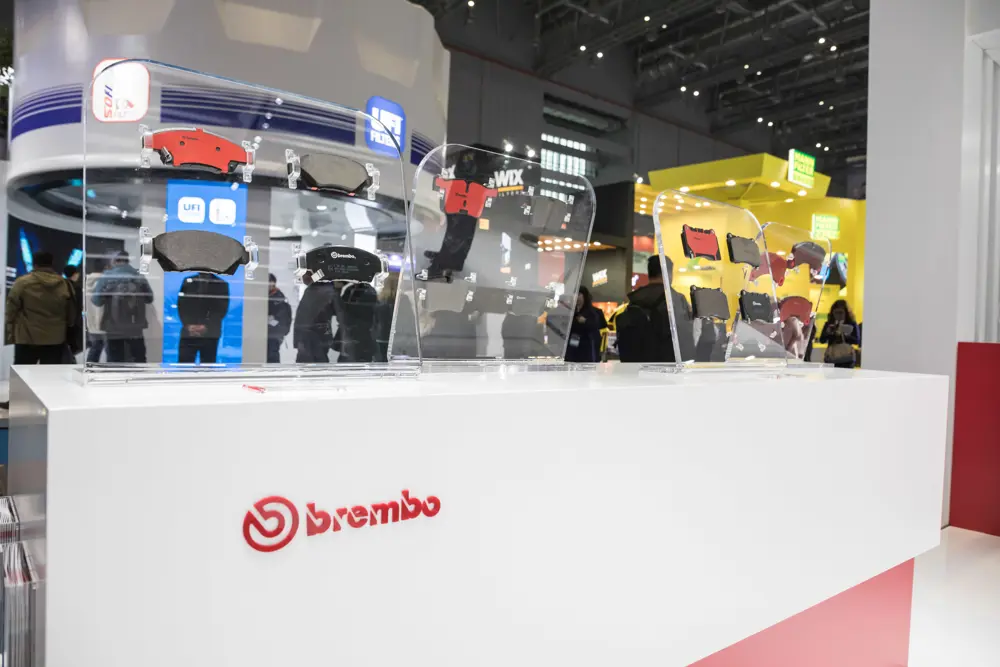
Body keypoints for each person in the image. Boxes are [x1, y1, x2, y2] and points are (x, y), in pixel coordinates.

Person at [614, 255, 695, 363]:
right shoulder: (675, 299)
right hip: (666, 364)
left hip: (638, 364)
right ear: (668, 273)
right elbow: (685, 337)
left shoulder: (635, 299)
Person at [4, 251, 77, 364]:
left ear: (34, 264)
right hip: (55, 339)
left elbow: (11, 310)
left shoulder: (22, 283)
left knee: (22, 372)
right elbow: (71, 313)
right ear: (52, 264)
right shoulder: (64, 284)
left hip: (27, 338)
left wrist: (10, 331)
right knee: (50, 374)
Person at [92, 251, 154, 363]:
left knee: (114, 360)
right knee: (138, 359)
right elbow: (150, 299)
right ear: (128, 260)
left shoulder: (107, 276)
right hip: (135, 326)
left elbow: (96, 301)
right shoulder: (139, 275)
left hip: (113, 326)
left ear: (114, 261)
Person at [177, 272, 230, 364]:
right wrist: (188, 325)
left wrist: (206, 326)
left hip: (210, 334)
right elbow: (181, 305)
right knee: (184, 365)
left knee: (208, 366)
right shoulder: (188, 281)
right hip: (189, 333)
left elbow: (221, 309)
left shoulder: (221, 284)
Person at [565, 286, 605, 363]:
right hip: (574, 341)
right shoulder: (571, 312)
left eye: (579, 294)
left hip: (588, 344)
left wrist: (585, 321)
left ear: (584, 296)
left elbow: (598, 325)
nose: (576, 297)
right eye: (574, 294)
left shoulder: (594, 312)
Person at [819, 299, 860, 368]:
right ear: (832, 313)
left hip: (847, 358)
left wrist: (844, 335)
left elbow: (857, 341)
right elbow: (822, 340)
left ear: (846, 313)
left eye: (841, 312)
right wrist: (829, 333)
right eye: (836, 312)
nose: (838, 315)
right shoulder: (829, 324)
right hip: (832, 357)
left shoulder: (851, 324)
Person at [266, 273, 292, 363]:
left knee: (271, 358)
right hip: (266, 335)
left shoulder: (279, 299)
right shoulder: (267, 297)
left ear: (273, 283)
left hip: (273, 335)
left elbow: (281, 319)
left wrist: (270, 320)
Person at [84, 262, 107, 363]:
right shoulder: (106, 283)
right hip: (105, 325)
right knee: (112, 352)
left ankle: (90, 368)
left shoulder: (87, 283)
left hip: (91, 324)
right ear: (105, 267)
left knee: (95, 348)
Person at [62, 264, 85, 360]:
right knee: (74, 346)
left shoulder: (61, 286)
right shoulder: (76, 288)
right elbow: (79, 306)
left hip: (63, 321)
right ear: (74, 274)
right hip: (74, 322)